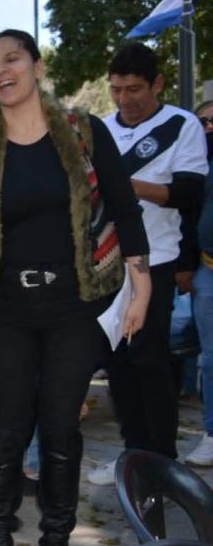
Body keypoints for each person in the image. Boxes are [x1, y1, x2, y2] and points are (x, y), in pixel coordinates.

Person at [0, 29, 150, 546]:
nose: (1, 70)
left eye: (12, 58)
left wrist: (142, 283)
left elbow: (125, 207)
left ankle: (55, 542)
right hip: (5, 310)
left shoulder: (84, 133)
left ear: (37, 67)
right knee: (9, 426)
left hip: (75, 307)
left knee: (61, 427)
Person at [86, 42, 207, 485]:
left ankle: (163, 460)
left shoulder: (181, 125)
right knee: (116, 363)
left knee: (149, 362)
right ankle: (132, 455)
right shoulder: (102, 128)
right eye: (117, 89)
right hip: (106, 263)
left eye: (134, 89)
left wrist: (123, 184)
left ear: (157, 83)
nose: (125, 99)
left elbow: (189, 194)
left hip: (155, 259)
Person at [189, 98, 213, 467]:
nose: (209, 128)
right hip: (207, 270)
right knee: (210, 359)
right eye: (204, 122)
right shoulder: (201, 167)